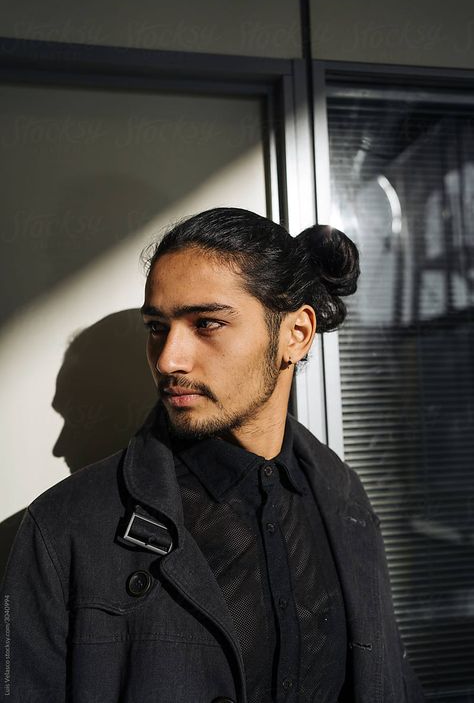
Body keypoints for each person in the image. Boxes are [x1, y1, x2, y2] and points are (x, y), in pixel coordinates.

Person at [0, 207, 424, 702]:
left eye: (206, 323)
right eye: (157, 327)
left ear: (296, 334)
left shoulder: (344, 496)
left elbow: (390, 676)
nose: (168, 360)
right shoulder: (63, 527)